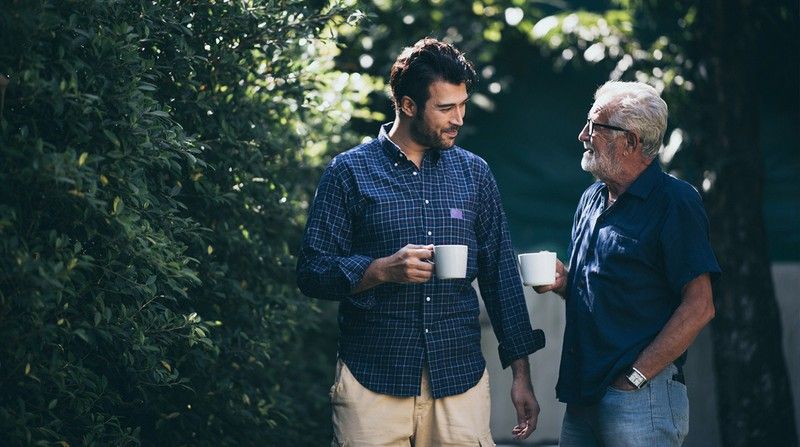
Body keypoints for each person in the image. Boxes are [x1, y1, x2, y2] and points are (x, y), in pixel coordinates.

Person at [297, 37, 545, 446]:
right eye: (446, 108)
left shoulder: (474, 174)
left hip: (458, 377)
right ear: (408, 105)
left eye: (463, 104)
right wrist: (379, 271)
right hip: (373, 376)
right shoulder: (349, 172)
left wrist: (522, 375)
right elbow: (312, 272)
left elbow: (500, 277)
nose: (458, 119)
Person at [533, 81, 720, 446]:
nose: (582, 135)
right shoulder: (591, 198)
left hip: (640, 394)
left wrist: (635, 378)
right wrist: (563, 283)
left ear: (631, 141)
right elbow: (603, 294)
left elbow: (701, 306)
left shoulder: (675, 201)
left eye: (595, 126)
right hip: (583, 392)